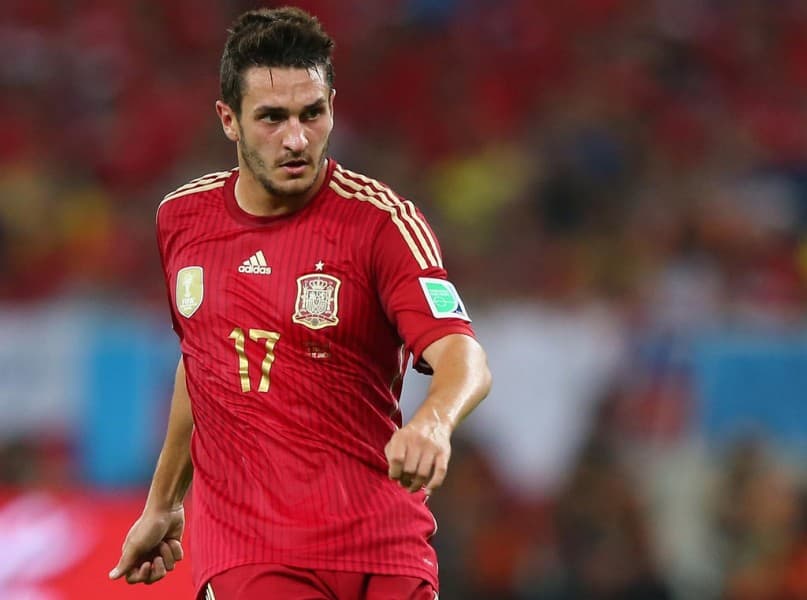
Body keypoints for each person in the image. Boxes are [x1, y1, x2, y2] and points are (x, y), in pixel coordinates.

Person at [108, 6, 491, 600]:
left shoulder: (382, 223)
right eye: (271, 117)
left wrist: (433, 424)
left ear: (332, 106)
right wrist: (163, 503)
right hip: (253, 554)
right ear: (229, 120)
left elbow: (464, 356)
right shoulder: (181, 220)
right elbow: (202, 360)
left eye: (312, 114)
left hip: (385, 546)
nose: (296, 139)